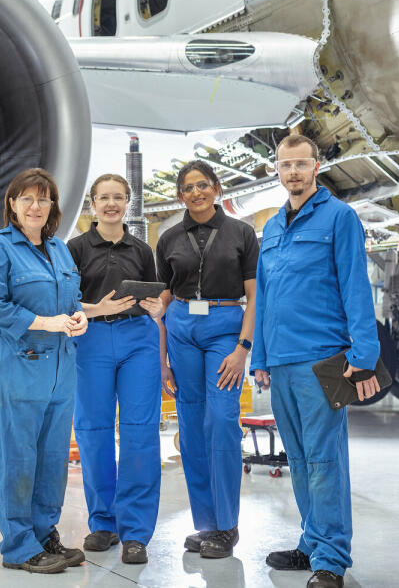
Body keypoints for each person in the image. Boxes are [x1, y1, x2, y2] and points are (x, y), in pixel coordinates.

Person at [250, 134, 380, 588]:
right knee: (301, 459)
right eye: (286, 166)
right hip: (281, 361)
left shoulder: (339, 218)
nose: (293, 173)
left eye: (301, 165)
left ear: (316, 166)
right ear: (278, 170)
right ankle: (312, 542)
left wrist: (364, 356)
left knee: (324, 460)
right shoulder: (271, 226)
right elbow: (264, 297)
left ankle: (332, 557)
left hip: (322, 359)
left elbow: (355, 287)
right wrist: (260, 358)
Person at [0, 167, 88, 574]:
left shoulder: (59, 249)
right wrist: (45, 323)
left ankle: (44, 534)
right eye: (27, 198)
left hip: (61, 370)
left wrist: (79, 319)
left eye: (43, 199)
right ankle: (19, 546)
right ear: (13, 205)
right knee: (17, 458)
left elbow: (72, 301)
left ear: (52, 206)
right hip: (21, 368)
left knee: (53, 457)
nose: (36, 206)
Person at [156, 159, 258, 560]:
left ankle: (228, 524)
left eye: (203, 185)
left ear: (216, 188)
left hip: (225, 325)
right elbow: (163, 299)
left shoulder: (241, 233)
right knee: (192, 425)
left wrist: (243, 348)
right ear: (180, 195)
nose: (196, 193)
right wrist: (163, 360)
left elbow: (255, 296)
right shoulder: (168, 238)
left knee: (221, 419)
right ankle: (207, 524)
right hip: (181, 325)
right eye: (188, 188)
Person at [67, 174, 166, 565]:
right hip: (91, 340)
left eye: (118, 197)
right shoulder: (74, 249)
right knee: (93, 431)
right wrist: (97, 310)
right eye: (103, 197)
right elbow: (67, 300)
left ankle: (136, 532)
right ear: (92, 203)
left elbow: (153, 297)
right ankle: (103, 523)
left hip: (137, 339)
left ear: (129, 202)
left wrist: (157, 308)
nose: (111, 204)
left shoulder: (142, 249)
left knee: (141, 432)